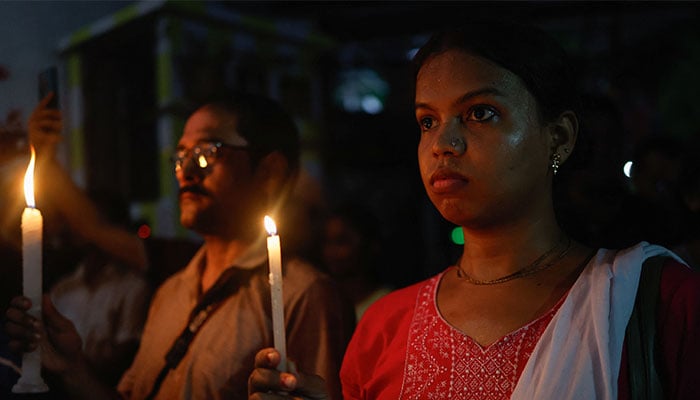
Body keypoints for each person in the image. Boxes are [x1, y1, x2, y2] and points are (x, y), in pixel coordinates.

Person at [248, 22, 700, 399]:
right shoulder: (384, 327)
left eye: (480, 113)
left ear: (558, 137)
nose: (444, 144)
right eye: (428, 121)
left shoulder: (658, 302)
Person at [6, 92, 355, 399]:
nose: (186, 171)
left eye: (206, 152)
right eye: (180, 156)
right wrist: (72, 368)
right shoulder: (172, 291)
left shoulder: (304, 294)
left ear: (269, 171)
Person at [321, 202, 392, 320]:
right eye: (327, 242)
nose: (331, 251)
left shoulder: (387, 304)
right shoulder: (324, 303)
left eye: (341, 241)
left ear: (371, 245)